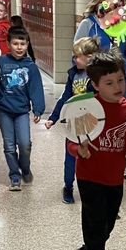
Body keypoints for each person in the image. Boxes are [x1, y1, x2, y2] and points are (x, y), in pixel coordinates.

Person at [68, 49, 126, 250]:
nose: (118, 86)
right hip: (89, 178)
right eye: (109, 82)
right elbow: (72, 142)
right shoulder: (86, 107)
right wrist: (79, 149)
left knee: (106, 228)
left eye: (120, 80)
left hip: (114, 180)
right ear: (95, 85)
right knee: (95, 226)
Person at [0, 25, 45, 191]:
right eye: (15, 44)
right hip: (4, 111)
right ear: (8, 44)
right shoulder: (0, 62)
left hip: (22, 111)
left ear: (27, 44)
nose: (19, 47)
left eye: (22, 44)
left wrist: (38, 109)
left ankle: (25, 167)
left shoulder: (30, 66)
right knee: (9, 145)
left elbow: (36, 88)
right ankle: (14, 175)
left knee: (24, 143)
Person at [45, 35, 97, 204]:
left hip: (92, 123)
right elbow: (65, 97)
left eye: (77, 56)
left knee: (91, 156)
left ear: (89, 58)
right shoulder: (73, 75)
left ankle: (91, 187)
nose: (73, 59)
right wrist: (53, 117)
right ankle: (68, 186)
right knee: (71, 156)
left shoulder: (98, 77)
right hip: (73, 123)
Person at [74, 0, 126, 98]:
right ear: (96, 4)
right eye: (102, 2)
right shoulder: (87, 24)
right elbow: (77, 55)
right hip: (94, 83)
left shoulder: (121, 25)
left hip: (118, 81)